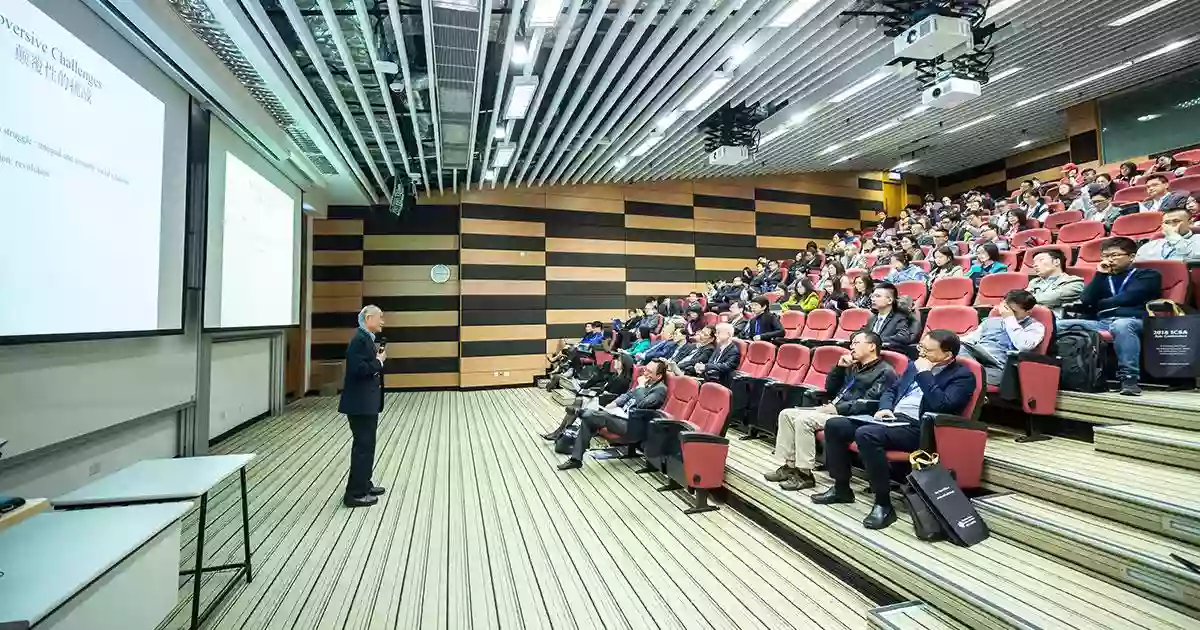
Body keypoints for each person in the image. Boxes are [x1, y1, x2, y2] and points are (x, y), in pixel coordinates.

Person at [814, 330, 976, 530]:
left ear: (947, 355)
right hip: (892, 419)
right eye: (920, 348)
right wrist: (884, 408)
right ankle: (841, 489)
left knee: (866, 435)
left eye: (928, 351)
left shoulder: (962, 376)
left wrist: (925, 374)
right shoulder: (913, 365)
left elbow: (941, 406)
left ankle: (883, 504)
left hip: (921, 427)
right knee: (835, 425)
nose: (922, 354)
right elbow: (892, 390)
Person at [764, 331, 896, 491]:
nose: (851, 347)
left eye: (856, 343)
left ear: (871, 346)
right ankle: (790, 466)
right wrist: (839, 368)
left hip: (851, 416)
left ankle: (804, 474)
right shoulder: (853, 366)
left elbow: (869, 403)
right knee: (786, 414)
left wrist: (836, 409)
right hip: (833, 409)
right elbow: (830, 389)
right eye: (851, 343)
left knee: (804, 420)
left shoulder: (885, 372)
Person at [1058, 237, 1162, 396]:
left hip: (1137, 321)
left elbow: (1130, 297)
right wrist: (1099, 274)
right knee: (1057, 325)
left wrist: (1100, 303)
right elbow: (1086, 300)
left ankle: (1129, 379)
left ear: (1131, 256)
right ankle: (1062, 373)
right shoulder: (1103, 277)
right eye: (1105, 256)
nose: (1109, 260)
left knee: (1121, 325)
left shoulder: (1148, 274)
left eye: (1114, 255)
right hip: (1103, 322)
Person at [557, 359, 669, 470]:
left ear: (659, 376)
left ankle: (580, 412)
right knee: (588, 420)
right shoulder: (646, 383)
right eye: (645, 369)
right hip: (621, 416)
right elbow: (627, 395)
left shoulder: (660, 390)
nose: (645, 373)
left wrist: (640, 388)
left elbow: (643, 405)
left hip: (633, 425)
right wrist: (613, 403)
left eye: (649, 372)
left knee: (597, 416)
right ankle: (576, 459)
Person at [339, 305, 387, 508]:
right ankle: (355, 494)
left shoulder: (366, 338)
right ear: (368, 319)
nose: (382, 321)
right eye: (380, 317)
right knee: (363, 448)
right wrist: (379, 362)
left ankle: (364, 484)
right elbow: (358, 370)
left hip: (366, 403)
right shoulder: (359, 340)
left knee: (368, 446)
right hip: (359, 405)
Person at [958, 289, 1046, 386]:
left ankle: (964, 374)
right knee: (957, 347)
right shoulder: (991, 321)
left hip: (1001, 369)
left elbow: (1023, 346)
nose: (1008, 312)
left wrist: (1009, 319)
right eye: (1007, 309)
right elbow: (969, 340)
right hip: (978, 359)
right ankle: (966, 373)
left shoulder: (1035, 327)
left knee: (959, 374)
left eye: (1014, 311)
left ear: (1028, 312)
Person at [543, 354, 633, 440]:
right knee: (577, 403)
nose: (615, 361)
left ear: (624, 364)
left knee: (577, 403)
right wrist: (591, 392)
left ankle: (560, 432)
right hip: (600, 398)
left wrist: (594, 394)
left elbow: (612, 397)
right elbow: (604, 389)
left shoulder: (623, 380)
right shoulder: (614, 376)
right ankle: (561, 431)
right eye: (616, 359)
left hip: (606, 405)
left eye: (619, 361)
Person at [1026, 249, 1084, 317]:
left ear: (1056, 262)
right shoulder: (1034, 282)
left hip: (1057, 321)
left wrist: (1025, 300)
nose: (1034, 265)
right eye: (1034, 262)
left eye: (1041, 260)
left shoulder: (1075, 282)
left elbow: (1051, 298)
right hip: (1032, 319)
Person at [865, 282, 911, 348]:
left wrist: (875, 340)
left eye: (877, 296)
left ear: (889, 300)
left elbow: (903, 337)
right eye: (872, 296)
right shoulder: (872, 318)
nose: (873, 299)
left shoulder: (899, 318)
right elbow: (862, 332)